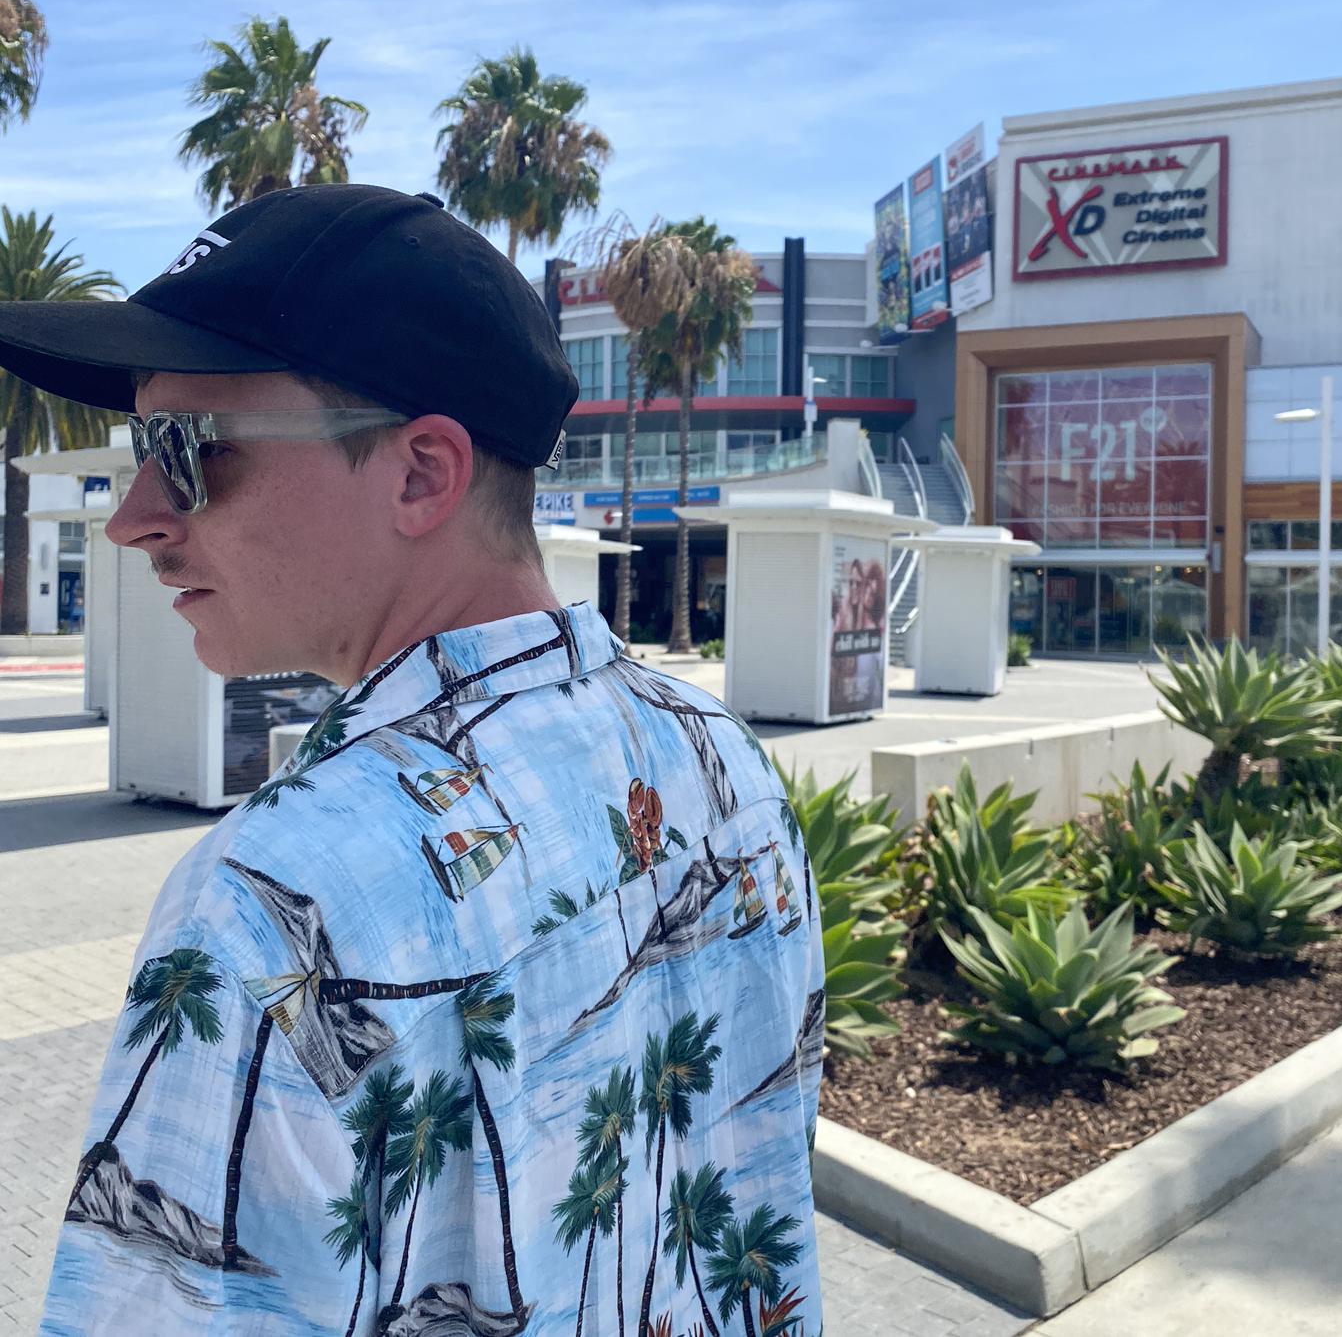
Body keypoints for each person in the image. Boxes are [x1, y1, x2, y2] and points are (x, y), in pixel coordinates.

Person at [0, 185, 825, 1337]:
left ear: (423, 474)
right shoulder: (725, 767)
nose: (135, 513)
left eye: (186, 449)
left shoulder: (271, 907)